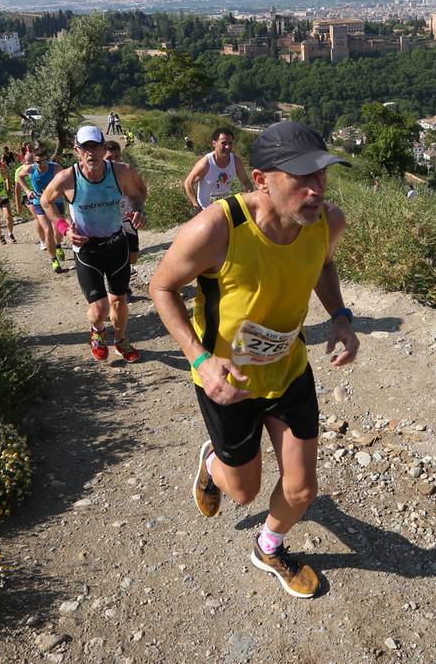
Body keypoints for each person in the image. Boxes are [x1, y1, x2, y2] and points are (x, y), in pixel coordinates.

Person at [150, 121, 359, 599]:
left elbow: (323, 264)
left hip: (289, 369)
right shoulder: (216, 229)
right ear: (261, 180)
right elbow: (161, 288)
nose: (316, 190)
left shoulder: (327, 221)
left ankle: (268, 546)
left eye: (322, 176)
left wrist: (341, 317)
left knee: (304, 490)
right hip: (229, 381)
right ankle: (213, 463)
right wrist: (200, 359)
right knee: (242, 491)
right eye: (301, 178)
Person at [42, 125, 148, 363]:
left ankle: (121, 340)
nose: (91, 154)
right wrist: (63, 229)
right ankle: (98, 331)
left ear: (103, 148)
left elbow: (137, 193)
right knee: (99, 310)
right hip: (87, 250)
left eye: (96, 147)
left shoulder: (122, 172)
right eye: (85, 148)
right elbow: (45, 201)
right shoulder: (67, 178)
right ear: (77, 151)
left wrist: (139, 211)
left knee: (119, 303)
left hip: (116, 244)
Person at [105, 139, 147, 295]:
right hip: (109, 223)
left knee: (133, 257)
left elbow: (142, 188)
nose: (114, 161)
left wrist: (139, 210)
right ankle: (122, 288)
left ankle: (123, 279)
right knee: (114, 257)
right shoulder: (98, 174)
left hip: (128, 219)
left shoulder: (127, 170)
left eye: (117, 157)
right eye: (109, 158)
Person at [185, 127, 254, 215]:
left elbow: (246, 182)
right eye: (223, 143)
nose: (228, 147)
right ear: (214, 143)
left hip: (226, 207)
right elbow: (188, 182)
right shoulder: (206, 163)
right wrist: (196, 205)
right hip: (206, 209)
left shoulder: (236, 162)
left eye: (230, 143)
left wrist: (249, 199)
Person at [26, 146, 68, 272]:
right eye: (38, 162)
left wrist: (53, 192)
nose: (42, 164)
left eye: (44, 161)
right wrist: (27, 190)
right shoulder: (30, 169)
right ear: (34, 160)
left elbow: (65, 183)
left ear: (48, 159)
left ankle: (58, 245)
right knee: (48, 230)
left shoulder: (56, 168)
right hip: (39, 202)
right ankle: (54, 260)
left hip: (56, 202)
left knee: (58, 230)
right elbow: (20, 177)